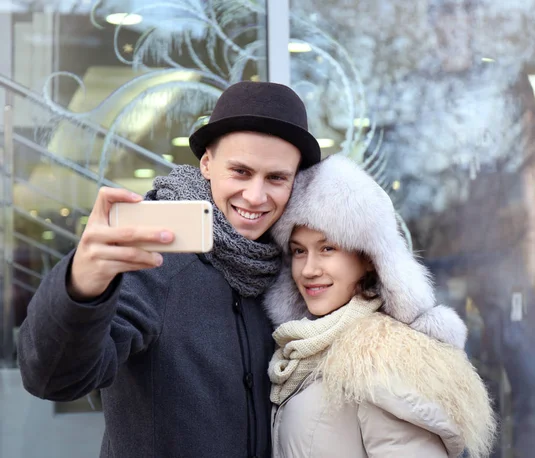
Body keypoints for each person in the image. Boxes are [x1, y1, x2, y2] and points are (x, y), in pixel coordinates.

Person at [17, 81, 321, 458]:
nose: (256, 196)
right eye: (241, 172)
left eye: (276, 178)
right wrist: (80, 287)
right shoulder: (150, 258)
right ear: (207, 164)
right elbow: (54, 378)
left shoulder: (295, 271)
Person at [264, 155, 496, 458]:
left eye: (327, 248)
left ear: (368, 259)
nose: (308, 269)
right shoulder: (305, 348)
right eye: (298, 251)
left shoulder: (382, 363)